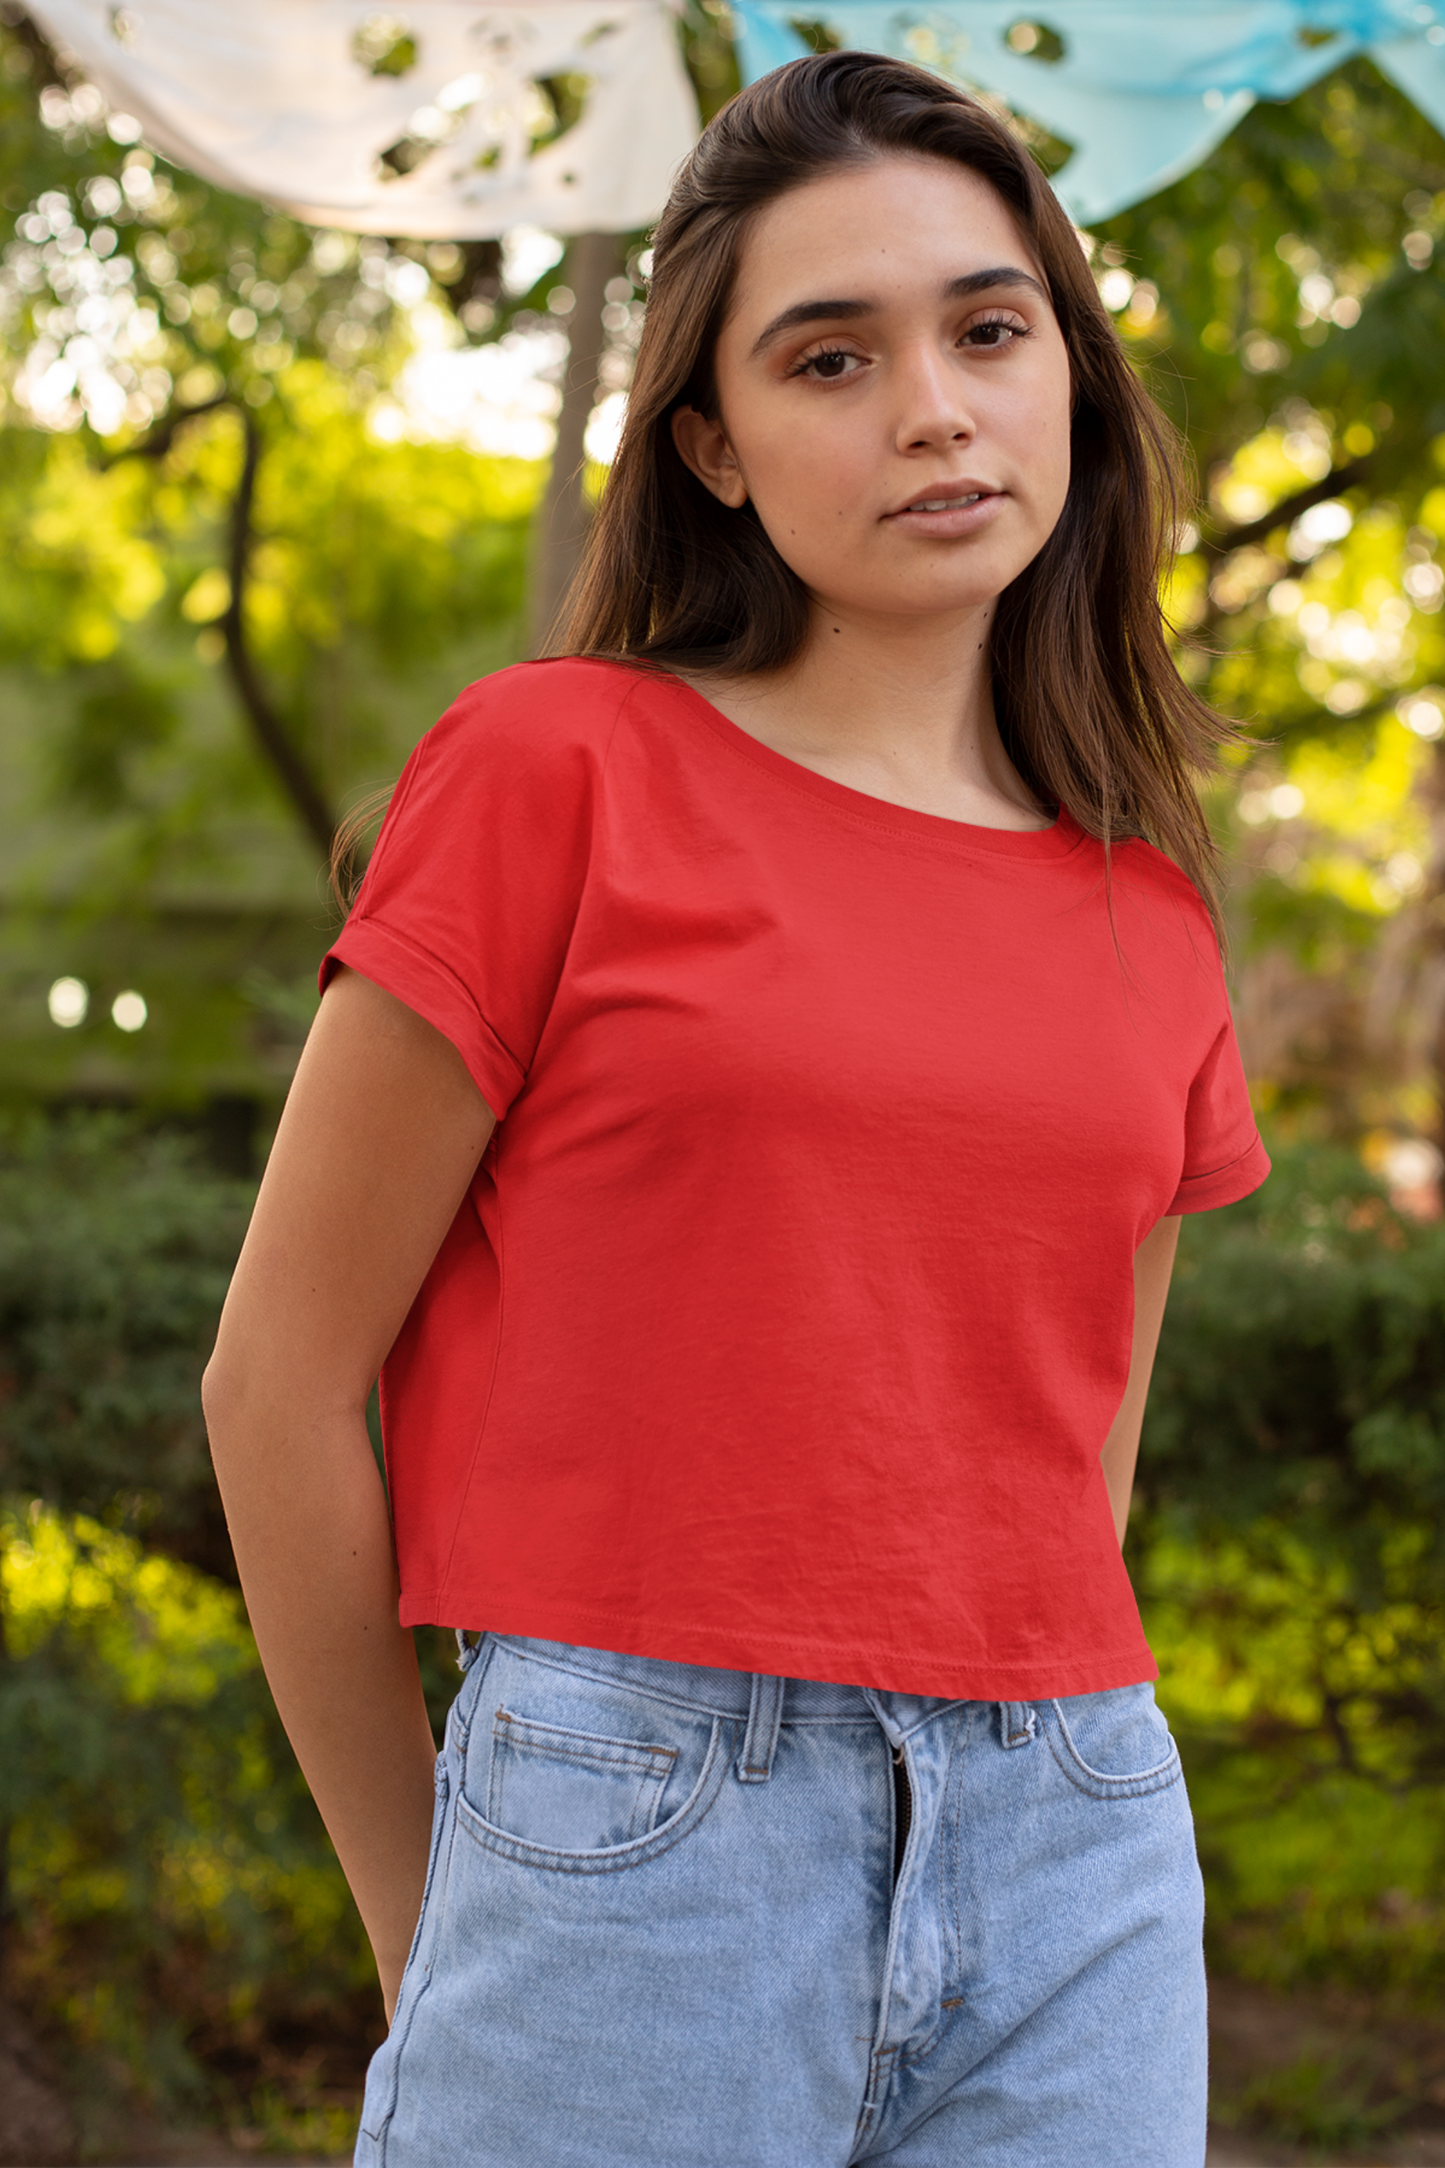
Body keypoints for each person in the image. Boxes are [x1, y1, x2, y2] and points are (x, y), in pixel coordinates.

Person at [203, 50, 1269, 2168]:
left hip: (1079, 1845)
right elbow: (277, 1382)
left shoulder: (1145, 907)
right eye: (829, 357)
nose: (933, 409)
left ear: (1066, 369)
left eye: (987, 330)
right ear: (711, 444)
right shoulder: (555, 773)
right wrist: (432, 1916)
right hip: (630, 1834)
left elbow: (1076, 1471)